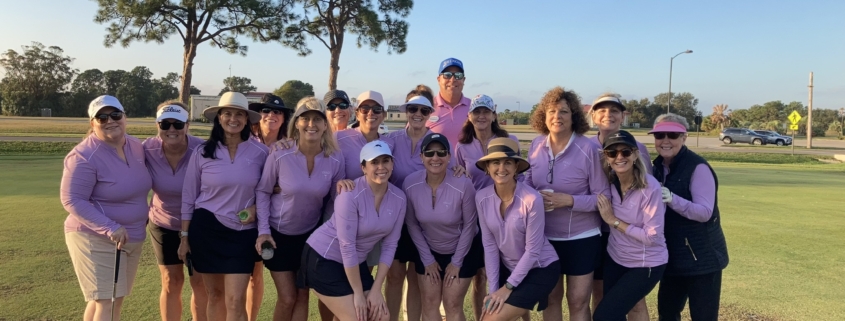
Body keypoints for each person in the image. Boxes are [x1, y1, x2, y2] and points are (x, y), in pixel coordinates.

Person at [61, 95, 152, 321]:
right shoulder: (83, 155)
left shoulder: (135, 145)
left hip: (131, 236)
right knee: (108, 302)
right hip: (96, 237)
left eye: (115, 115)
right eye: (101, 117)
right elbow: (71, 199)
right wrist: (110, 227)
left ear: (124, 117)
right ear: (93, 123)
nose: (110, 120)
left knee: (107, 300)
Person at [180, 92, 269, 321]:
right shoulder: (202, 152)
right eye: (227, 113)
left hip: (242, 234)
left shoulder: (261, 152)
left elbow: (273, 190)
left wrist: (257, 210)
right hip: (207, 230)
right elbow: (189, 197)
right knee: (216, 295)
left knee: (235, 300)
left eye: (239, 114)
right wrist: (184, 237)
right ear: (219, 118)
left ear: (246, 119)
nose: (233, 118)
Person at [255, 97, 345, 321]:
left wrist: (329, 231)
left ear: (326, 125)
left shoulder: (335, 158)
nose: (311, 124)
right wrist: (263, 231)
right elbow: (263, 191)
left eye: (317, 119)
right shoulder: (280, 153)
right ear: (296, 123)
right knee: (287, 297)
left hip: (310, 237)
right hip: (278, 235)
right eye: (305, 119)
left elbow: (336, 201)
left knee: (303, 295)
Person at [524, 86, 610, 321]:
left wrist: (570, 200)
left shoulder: (590, 149)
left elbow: (604, 199)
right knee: (550, 298)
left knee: (578, 301)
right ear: (544, 115)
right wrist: (533, 197)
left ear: (574, 117)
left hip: (581, 238)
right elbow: (527, 182)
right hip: (545, 237)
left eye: (564, 111)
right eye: (551, 111)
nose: (557, 117)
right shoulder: (536, 146)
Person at [298, 140, 406, 321]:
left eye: (386, 161)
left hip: (355, 263)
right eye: (374, 162)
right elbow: (346, 246)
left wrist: (376, 288)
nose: (381, 167)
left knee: (382, 317)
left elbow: (390, 245)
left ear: (392, 164)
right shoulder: (349, 195)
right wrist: (358, 293)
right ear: (363, 167)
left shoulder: (399, 198)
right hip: (324, 258)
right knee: (358, 318)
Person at [650, 114, 728, 321]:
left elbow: (704, 213)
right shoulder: (656, 167)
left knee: (703, 316)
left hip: (702, 258)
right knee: (667, 314)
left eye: (673, 135)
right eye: (659, 135)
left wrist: (671, 198)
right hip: (671, 256)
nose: (665, 140)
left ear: (684, 137)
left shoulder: (697, 167)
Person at [474, 138, 561, 320]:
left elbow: (533, 250)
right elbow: (490, 246)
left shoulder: (531, 199)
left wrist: (507, 288)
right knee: (487, 313)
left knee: (491, 319)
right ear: (487, 168)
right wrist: (493, 291)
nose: (501, 168)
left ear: (516, 168)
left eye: (508, 163)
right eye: (495, 162)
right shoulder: (481, 198)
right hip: (509, 267)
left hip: (540, 269)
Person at [452, 94, 522, 321]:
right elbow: (457, 177)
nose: (481, 116)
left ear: (493, 115)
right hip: (477, 217)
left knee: (512, 274)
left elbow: (521, 175)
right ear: (470, 116)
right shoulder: (462, 146)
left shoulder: (509, 140)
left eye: (486, 112)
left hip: (507, 216)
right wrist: (459, 173)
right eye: (477, 112)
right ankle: (483, 317)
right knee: (479, 276)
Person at [403, 133, 480, 321]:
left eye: (441, 153)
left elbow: (470, 225)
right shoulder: (410, 183)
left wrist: (457, 262)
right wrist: (427, 259)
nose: (435, 158)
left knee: (452, 304)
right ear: (421, 157)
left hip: (463, 250)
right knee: (429, 303)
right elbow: (412, 223)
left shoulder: (464, 184)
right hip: (429, 250)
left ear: (449, 157)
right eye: (429, 153)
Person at [588, 93, 651, 320]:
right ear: (593, 116)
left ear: (623, 116)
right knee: (600, 294)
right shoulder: (586, 147)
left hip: (630, 235)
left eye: (614, 111)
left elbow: (647, 192)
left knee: (633, 300)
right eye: (602, 110)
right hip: (596, 233)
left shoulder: (637, 148)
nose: (608, 115)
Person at [592, 130, 667, 321]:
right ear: (606, 157)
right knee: (614, 316)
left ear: (634, 154)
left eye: (625, 152)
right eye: (612, 153)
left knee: (604, 316)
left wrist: (614, 221)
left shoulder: (650, 187)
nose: (619, 157)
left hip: (645, 264)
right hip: (616, 258)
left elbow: (652, 236)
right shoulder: (609, 183)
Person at [143, 101, 207, 321]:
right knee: (172, 281)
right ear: (157, 125)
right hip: (163, 223)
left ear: (187, 125)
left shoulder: (203, 149)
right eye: (165, 124)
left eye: (177, 124)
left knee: (200, 283)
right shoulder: (146, 149)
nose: (171, 129)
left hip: (199, 225)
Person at [427, 58, 471, 148]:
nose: (452, 79)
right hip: (434, 161)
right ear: (439, 79)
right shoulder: (425, 106)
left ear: (464, 80)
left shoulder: (474, 108)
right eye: (447, 75)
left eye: (458, 75)